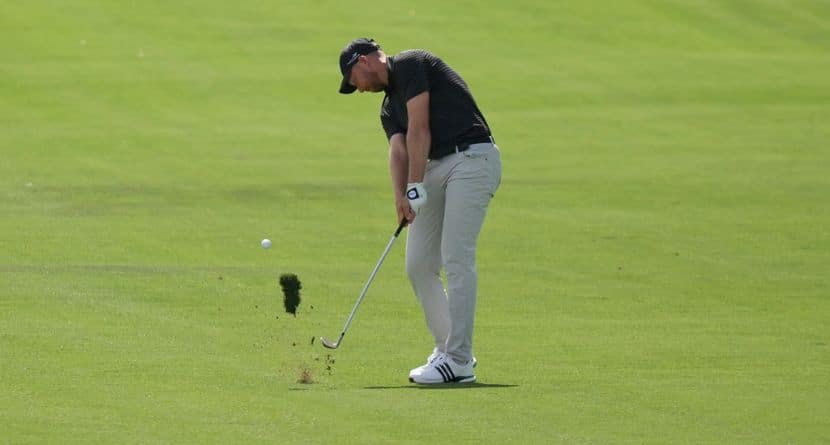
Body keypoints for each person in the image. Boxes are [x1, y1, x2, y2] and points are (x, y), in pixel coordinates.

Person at [337, 38, 502, 384]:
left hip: (472, 158)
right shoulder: (386, 109)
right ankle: (449, 350)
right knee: (418, 265)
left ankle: (458, 360)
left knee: (456, 256)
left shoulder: (411, 64)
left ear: (364, 61)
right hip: (436, 167)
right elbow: (399, 150)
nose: (359, 89)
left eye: (355, 80)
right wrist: (401, 196)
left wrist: (415, 185)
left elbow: (419, 128)